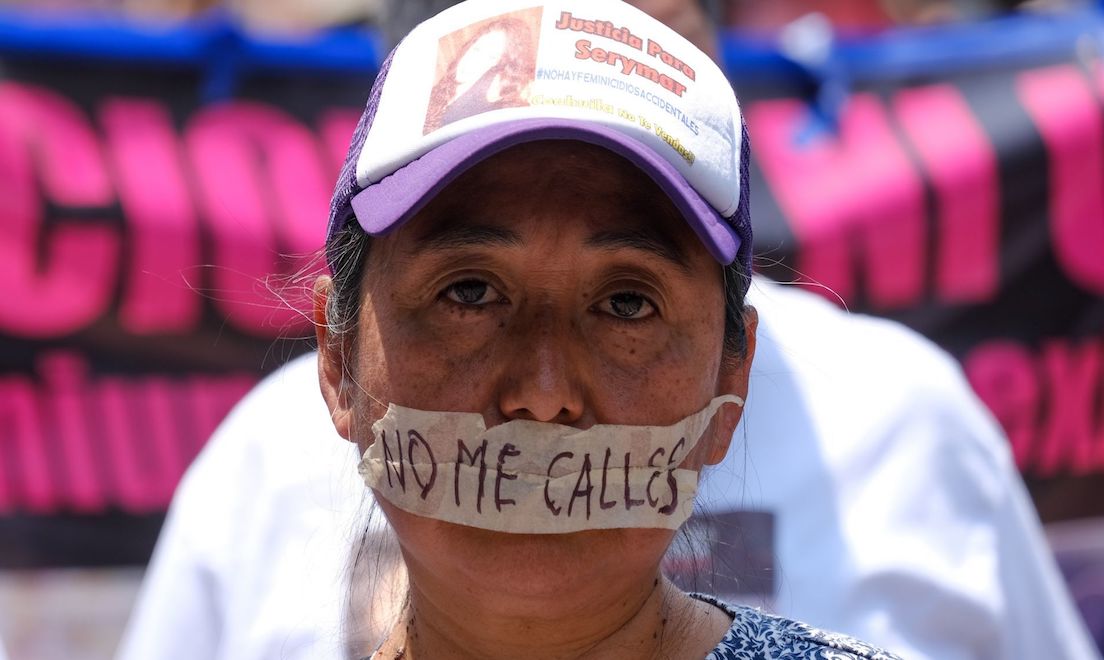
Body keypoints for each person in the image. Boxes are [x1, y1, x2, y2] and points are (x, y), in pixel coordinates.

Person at [117, 0, 1101, 658]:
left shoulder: (906, 415)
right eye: (469, 292)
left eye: (627, 304)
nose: (543, 391)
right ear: (336, 360)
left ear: (732, 382)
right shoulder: (252, 473)